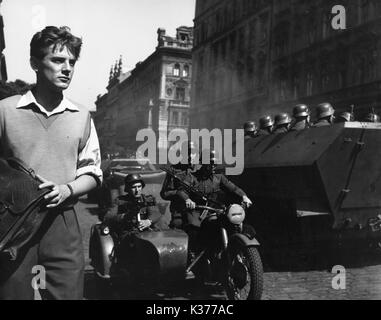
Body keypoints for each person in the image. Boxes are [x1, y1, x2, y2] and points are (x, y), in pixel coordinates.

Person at [0, 26, 102, 300]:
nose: (67, 68)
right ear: (35, 63)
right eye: (57, 60)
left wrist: (67, 190)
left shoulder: (81, 115)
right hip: (14, 224)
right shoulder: (6, 110)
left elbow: (92, 171)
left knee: (67, 296)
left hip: (63, 223)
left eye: (71, 62)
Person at [176, 150, 253, 256]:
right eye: (211, 163)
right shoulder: (191, 177)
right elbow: (181, 191)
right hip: (197, 211)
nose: (213, 166)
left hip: (215, 211)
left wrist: (244, 196)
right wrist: (188, 200)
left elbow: (233, 188)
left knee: (234, 225)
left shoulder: (219, 177)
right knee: (194, 228)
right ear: (203, 163)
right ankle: (193, 253)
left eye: (215, 164)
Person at [104, 174, 162, 266]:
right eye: (133, 187)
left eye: (139, 187)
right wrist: (124, 216)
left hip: (147, 232)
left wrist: (148, 221)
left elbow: (155, 213)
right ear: (128, 188)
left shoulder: (147, 199)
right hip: (127, 232)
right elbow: (108, 217)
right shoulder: (119, 201)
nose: (137, 190)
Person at [160, 140, 199, 229]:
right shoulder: (174, 170)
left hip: (199, 211)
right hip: (179, 212)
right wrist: (179, 194)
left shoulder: (200, 169)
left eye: (192, 153)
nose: (190, 156)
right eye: (187, 153)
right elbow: (164, 193)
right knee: (178, 228)